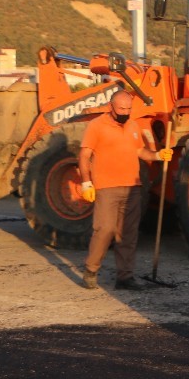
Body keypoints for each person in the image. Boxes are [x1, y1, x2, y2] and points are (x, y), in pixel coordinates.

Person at [77, 91, 173, 291]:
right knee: (105, 230)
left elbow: (139, 151)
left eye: (129, 109)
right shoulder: (96, 126)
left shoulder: (132, 125)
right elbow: (84, 155)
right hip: (106, 187)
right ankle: (91, 269)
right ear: (111, 106)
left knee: (128, 234)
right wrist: (86, 182)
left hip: (132, 187)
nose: (125, 112)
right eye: (121, 109)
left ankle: (125, 277)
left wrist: (158, 155)